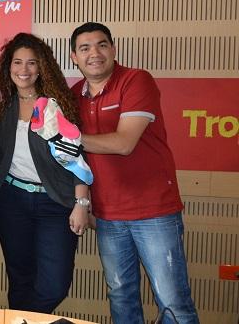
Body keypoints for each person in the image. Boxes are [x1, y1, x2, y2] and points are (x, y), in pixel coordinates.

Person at [70, 22, 199, 324]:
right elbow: (78, 160)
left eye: (102, 45)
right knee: (120, 295)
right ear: (74, 57)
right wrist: (84, 202)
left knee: (172, 303)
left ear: (113, 49)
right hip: (108, 214)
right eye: (85, 48)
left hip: (154, 211)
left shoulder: (136, 80)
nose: (94, 53)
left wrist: (68, 138)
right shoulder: (74, 94)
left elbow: (124, 143)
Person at [0, 33, 92, 313]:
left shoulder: (57, 105)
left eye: (31, 62)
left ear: (42, 67)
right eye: (17, 62)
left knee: (54, 286)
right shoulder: (6, 108)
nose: (24, 69)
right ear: (8, 67)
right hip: (11, 201)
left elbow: (77, 157)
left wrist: (81, 202)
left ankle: (21, 319)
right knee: (19, 279)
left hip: (55, 203)